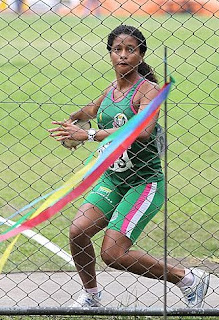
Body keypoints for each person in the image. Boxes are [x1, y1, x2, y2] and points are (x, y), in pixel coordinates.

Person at [48, 25, 210, 308]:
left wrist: (87, 135)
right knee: (78, 231)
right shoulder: (111, 89)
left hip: (143, 184)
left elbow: (142, 130)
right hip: (113, 180)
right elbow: (91, 111)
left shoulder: (149, 91)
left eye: (130, 50)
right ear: (110, 54)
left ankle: (186, 278)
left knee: (113, 254)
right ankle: (91, 295)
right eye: (117, 49)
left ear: (141, 55)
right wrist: (72, 122)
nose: (122, 55)